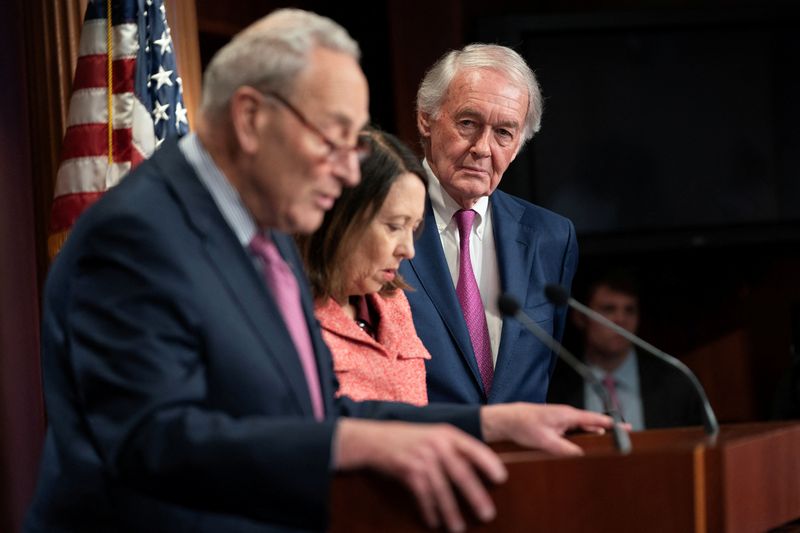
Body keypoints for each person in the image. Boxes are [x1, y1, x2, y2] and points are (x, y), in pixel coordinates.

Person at [25, 9, 616, 533]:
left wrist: (488, 423)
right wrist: (352, 440)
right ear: (253, 118)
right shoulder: (138, 235)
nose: (346, 172)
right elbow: (153, 441)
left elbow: (315, 414)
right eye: (333, 139)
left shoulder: (270, 240)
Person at [399, 44, 578, 405]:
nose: (483, 148)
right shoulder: (375, 225)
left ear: (518, 145)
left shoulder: (551, 238)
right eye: (468, 123)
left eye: (504, 133)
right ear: (426, 119)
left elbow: (545, 373)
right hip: (423, 453)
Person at [298, 129, 431, 405]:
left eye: (413, 228)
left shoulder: (393, 301)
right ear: (341, 218)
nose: (409, 250)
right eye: (395, 226)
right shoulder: (292, 312)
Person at [547, 270, 704, 430]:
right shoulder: (552, 387)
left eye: (629, 310)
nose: (621, 320)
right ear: (580, 318)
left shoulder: (677, 382)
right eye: (608, 309)